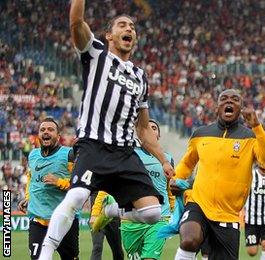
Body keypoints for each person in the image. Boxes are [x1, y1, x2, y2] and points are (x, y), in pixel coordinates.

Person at [39, 1, 174, 259]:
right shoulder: (96, 54)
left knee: (153, 212)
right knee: (77, 196)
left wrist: (162, 160)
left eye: (133, 27)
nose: (129, 29)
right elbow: (76, 23)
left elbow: (143, 128)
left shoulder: (140, 76)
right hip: (94, 145)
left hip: (124, 152)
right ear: (109, 35)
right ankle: (46, 253)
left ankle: (111, 211)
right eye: (122, 25)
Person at [172, 89, 265, 260]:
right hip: (198, 203)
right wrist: (177, 178)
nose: (229, 102)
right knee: (189, 240)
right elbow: (187, 163)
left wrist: (257, 128)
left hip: (228, 214)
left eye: (235, 99)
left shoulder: (251, 137)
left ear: (241, 108)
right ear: (217, 106)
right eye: (224, 99)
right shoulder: (200, 134)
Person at [92, 119, 175, 260]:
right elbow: (109, 185)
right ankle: (111, 210)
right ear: (140, 134)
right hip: (131, 221)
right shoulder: (129, 156)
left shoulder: (168, 159)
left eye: (154, 128)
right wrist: (95, 212)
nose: (150, 130)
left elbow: (170, 190)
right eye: (146, 127)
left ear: (158, 135)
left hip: (160, 217)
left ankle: (112, 211)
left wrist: (173, 211)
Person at [18, 118, 78, 260]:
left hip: (65, 221)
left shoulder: (69, 155)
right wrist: (28, 198)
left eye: (50, 129)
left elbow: (79, 187)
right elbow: (31, 179)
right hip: (38, 221)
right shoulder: (32, 155)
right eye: (42, 130)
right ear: (38, 135)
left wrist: (59, 182)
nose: (46, 132)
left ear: (58, 136)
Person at [88, 192, 124, 260]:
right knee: (97, 246)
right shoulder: (94, 184)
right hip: (96, 216)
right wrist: (94, 215)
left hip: (113, 217)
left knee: (117, 249)